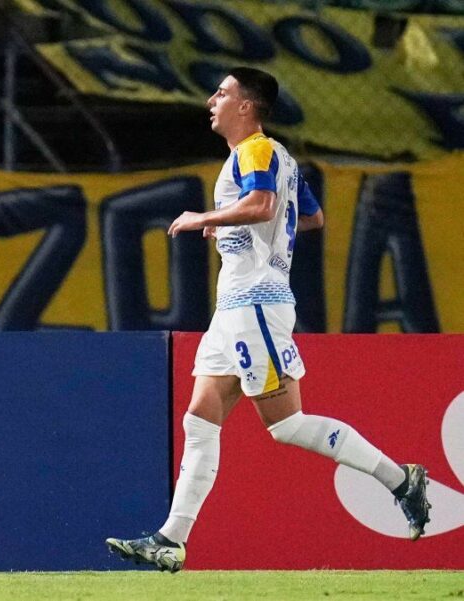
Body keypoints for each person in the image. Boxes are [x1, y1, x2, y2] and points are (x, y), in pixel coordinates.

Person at [104, 67, 431, 573]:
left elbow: (261, 204)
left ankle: (399, 480)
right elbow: (311, 217)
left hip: (255, 304)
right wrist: (242, 223)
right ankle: (171, 539)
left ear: (246, 106)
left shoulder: (256, 151)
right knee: (199, 420)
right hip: (233, 309)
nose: (212, 99)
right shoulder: (281, 158)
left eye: (222, 92)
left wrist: (205, 218)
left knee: (286, 425)